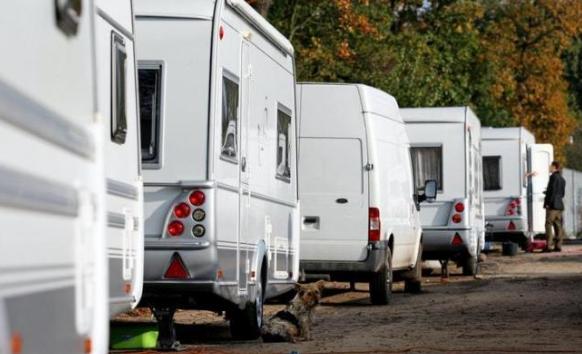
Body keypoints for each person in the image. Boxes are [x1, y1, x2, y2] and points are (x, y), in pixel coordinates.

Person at [544, 161, 566, 252]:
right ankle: (558, 245)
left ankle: (549, 246)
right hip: (560, 205)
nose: (549, 168)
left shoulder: (553, 177)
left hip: (553, 205)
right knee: (558, 224)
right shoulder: (562, 179)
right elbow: (562, 193)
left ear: (554, 167)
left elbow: (552, 191)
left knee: (548, 223)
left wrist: (548, 202)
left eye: (550, 166)